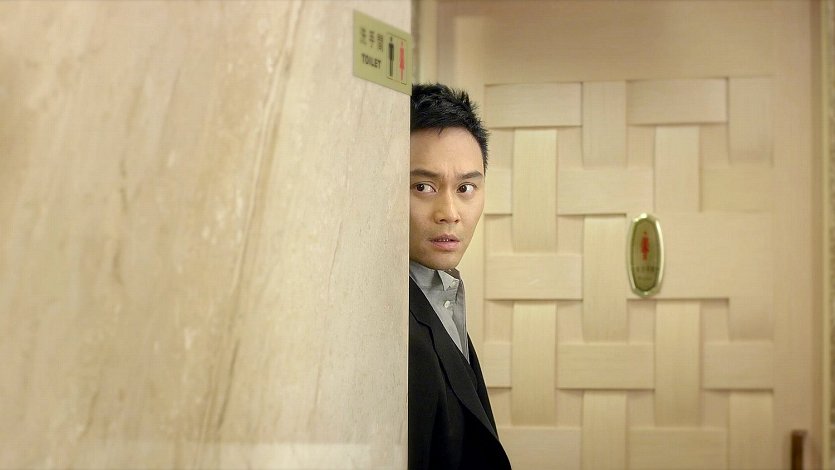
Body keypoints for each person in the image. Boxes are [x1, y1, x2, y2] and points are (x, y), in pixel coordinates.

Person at [408, 83, 512, 469]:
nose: (449, 213)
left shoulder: (440, 290)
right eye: (423, 187)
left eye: (466, 188)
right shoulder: (386, 321)